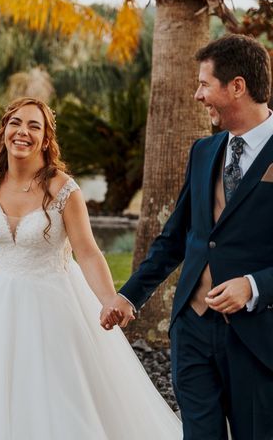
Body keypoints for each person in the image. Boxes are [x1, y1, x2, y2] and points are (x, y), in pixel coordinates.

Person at [0, 97, 181, 439]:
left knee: (58, 392)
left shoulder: (63, 189)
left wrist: (108, 299)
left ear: (45, 139)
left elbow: (87, 252)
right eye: (16, 123)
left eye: (33, 126)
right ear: (4, 131)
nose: (22, 132)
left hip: (55, 302)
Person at [102, 34, 273, 440]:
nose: (198, 95)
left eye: (203, 84)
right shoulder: (203, 151)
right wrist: (129, 296)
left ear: (237, 86)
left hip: (257, 335)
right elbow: (177, 236)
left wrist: (253, 287)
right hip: (192, 331)